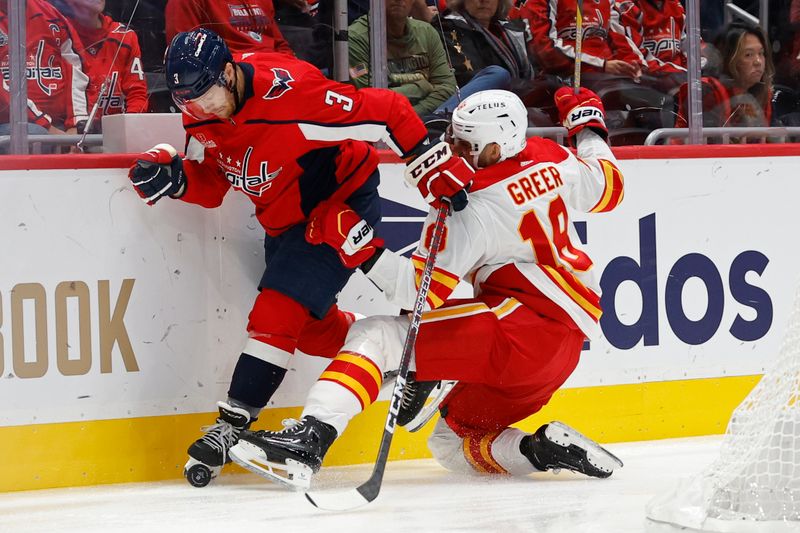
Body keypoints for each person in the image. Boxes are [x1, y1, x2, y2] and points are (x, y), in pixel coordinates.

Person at [126, 28, 471, 487]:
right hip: (285, 220)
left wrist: (427, 160)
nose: (202, 109)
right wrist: (175, 180)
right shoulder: (198, 114)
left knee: (277, 309)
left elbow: (389, 110)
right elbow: (213, 185)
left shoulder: (294, 92)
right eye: (189, 102)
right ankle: (410, 357)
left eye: (207, 95)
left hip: (339, 203)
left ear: (228, 74)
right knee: (309, 329)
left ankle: (232, 425)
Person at [228, 88, 625, 486]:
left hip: (519, 332)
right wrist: (587, 124)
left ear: (495, 149)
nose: (451, 148)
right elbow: (610, 185)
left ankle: (309, 440)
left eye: (465, 143)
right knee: (452, 445)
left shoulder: (465, 205)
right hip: (562, 351)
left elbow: (418, 293)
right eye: (452, 135)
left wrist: (360, 246)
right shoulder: (550, 156)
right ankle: (538, 450)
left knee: (378, 335)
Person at [348, 0, 458, 116]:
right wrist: (422, 87)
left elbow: (447, 88)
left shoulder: (426, 32)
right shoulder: (355, 39)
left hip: (427, 120)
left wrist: (410, 117)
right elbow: (369, 100)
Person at [0, 0, 89, 140]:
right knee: (35, 134)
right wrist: (49, 128)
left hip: (58, 126)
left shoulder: (52, 14)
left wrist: (75, 124)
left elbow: (75, 68)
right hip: (10, 125)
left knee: (100, 134)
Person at [53, 0, 147, 130]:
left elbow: (137, 94)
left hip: (116, 136)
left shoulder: (125, 37)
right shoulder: (56, 36)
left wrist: (129, 129)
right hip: (69, 134)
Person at [674, 22, 775, 141]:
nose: (758, 61)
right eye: (748, 55)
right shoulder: (705, 90)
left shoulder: (763, 93)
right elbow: (711, 145)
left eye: (761, 53)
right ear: (727, 59)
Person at [515, 0, 645, 85]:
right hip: (559, 82)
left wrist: (635, 66)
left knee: (650, 100)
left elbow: (620, 40)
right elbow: (544, 50)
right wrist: (601, 66)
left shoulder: (607, 2)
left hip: (607, 79)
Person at [165, 0, 294, 55]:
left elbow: (280, 44)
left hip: (275, 75)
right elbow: (184, 54)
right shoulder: (184, 2)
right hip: (231, 84)